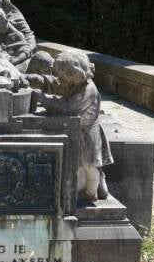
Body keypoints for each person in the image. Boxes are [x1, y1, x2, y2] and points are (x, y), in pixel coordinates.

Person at [29, 51, 112, 202]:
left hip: (88, 134)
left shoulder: (88, 90)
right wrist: (39, 83)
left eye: (62, 75)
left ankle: (91, 192)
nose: (59, 79)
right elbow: (57, 88)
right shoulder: (74, 85)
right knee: (78, 165)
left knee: (90, 165)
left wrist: (43, 99)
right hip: (77, 132)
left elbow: (68, 107)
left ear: (73, 73)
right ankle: (83, 191)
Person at [0, 7, 33, 71]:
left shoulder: (16, 36)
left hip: (12, 63)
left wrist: (16, 60)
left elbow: (27, 50)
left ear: (6, 22)